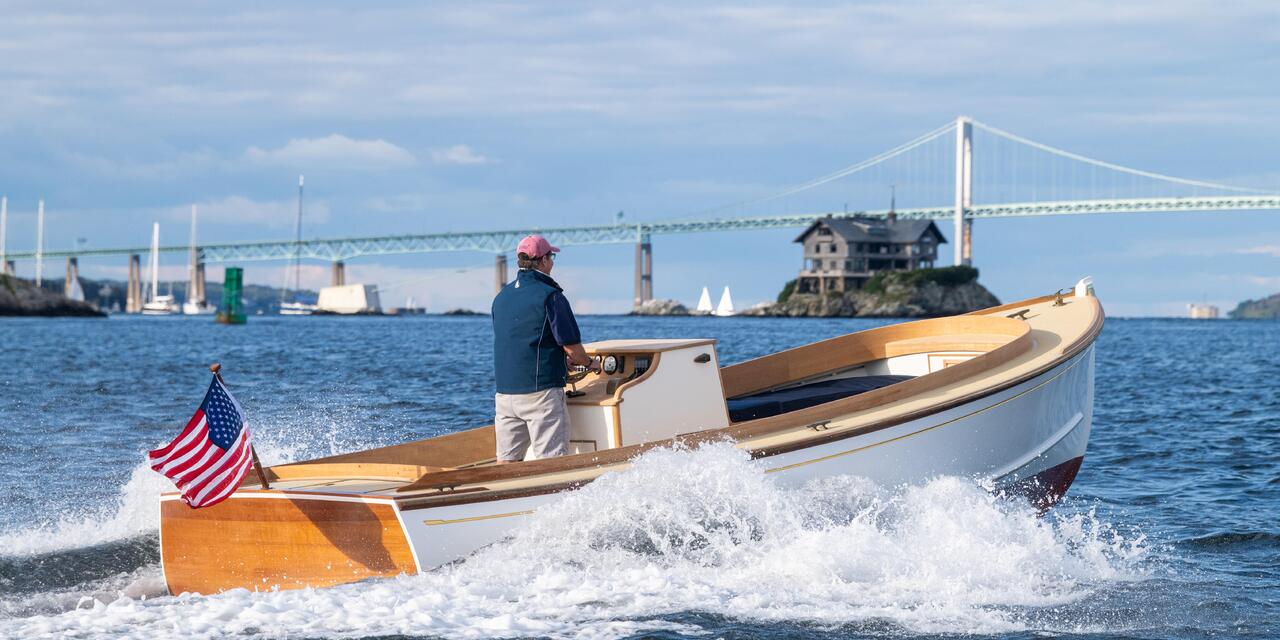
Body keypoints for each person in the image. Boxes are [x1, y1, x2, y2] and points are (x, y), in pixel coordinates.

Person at [491, 235, 597, 464]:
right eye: (552, 256)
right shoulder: (551, 297)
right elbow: (572, 347)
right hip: (541, 394)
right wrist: (590, 364)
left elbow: (521, 340)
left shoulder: (501, 298)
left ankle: (503, 498)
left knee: (506, 463)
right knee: (552, 462)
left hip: (505, 394)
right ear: (542, 261)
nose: (553, 261)